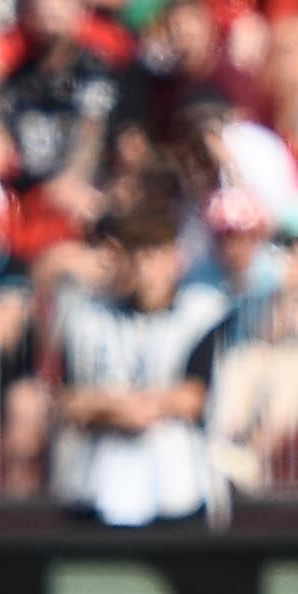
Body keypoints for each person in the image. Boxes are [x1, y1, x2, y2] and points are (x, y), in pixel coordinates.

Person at [49, 206, 231, 528]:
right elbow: (67, 400)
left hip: (176, 484)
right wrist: (116, 408)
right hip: (97, 482)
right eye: (136, 253)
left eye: (155, 254)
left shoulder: (202, 313)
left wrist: (135, 404)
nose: (146, 267)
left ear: (174, 257)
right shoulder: (86, 318)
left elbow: (195, 396)